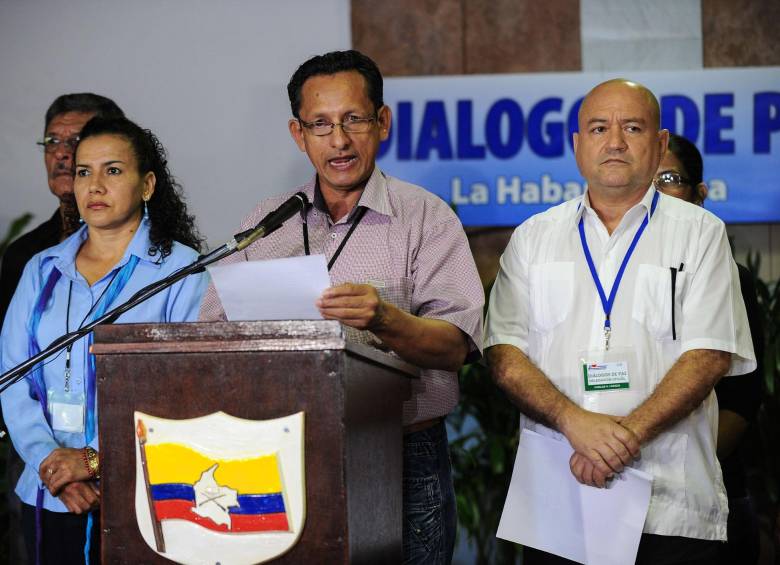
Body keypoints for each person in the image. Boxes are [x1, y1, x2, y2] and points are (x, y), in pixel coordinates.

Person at [199, 49, 484, 564]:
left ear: (382, 122)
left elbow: (457, 346)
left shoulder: (426, 218)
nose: (339, 140)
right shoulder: (267, 223)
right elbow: (213, 336)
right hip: (281, 457)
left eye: (353, 119)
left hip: (400, 454)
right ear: (297, 133)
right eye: (321, 124)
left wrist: (385, 319)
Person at [484, 79, 755, 565]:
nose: (614, 141)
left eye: (632, 127)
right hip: (560, 504)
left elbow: (709, 355)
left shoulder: (701, 233)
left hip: (671, 505)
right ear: (576, 144)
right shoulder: (533, 238)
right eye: (598, 128)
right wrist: (576, 424)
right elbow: (504, 355)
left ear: (660, 143)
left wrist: (619, 440)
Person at [0, 116, 207, 564]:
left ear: (147, 185)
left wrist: (95, 462)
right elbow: (12, 378)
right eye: (83, 171)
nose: (95, 185)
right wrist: (53, 462)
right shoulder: (41, 269)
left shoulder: (182, 271)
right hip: (50, 491)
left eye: (113, 171)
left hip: (146, 493)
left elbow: (188, 394)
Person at [656, 133, 764, 565]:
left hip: (706, 495)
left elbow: (742, 400)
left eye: (670, 178)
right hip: (617, 500)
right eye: (650, 181)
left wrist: (675, 472)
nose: (659, 193)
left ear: (700, 193)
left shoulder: (731, 278)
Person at [0, 93, 125, 322]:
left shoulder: (157, 249)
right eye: (52, 141)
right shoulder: (24, 255)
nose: (60, 153)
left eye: (76, 141)